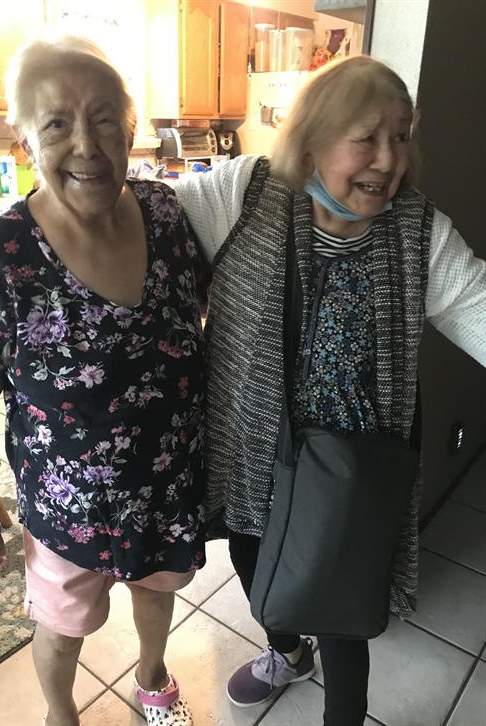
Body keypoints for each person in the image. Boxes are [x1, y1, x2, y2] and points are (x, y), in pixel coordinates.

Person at [175, 55, 486, 725]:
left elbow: (476, 306)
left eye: (400, 136)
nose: (390, 159)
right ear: (312, 139)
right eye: (367, 137)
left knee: (344, 616)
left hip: (349, 472)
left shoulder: (417, 232)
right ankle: (286, 653)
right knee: (254, 562)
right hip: (253, 454)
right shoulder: (244, 194)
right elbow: (142, 227)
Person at [0, 36, 208, 726]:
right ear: (27, 140)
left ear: (130, 131)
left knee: (156, 595)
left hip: (164, 483)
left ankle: (152, 679)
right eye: (57, 123)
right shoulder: (3, 250)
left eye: (104, 121)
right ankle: (60, 716)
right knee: (62, 628)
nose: (86, 146)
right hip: (67, 506)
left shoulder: (165, 214)